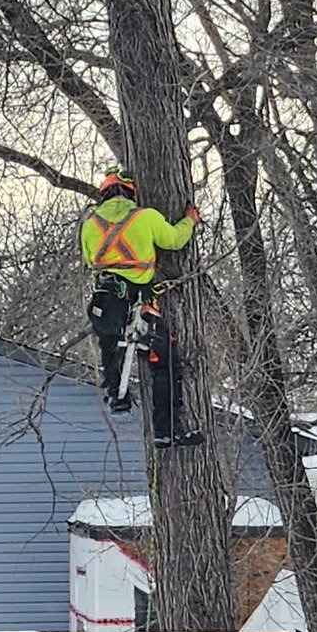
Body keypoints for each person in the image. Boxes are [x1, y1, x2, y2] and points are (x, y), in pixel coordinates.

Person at [80, 165, 203, 445]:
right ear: (130, 192)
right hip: (139, 300)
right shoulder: (145, 217)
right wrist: (189, 221)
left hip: (106, 300)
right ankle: (166, 430)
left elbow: (90, 260)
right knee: (166, 361)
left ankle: (115, 391)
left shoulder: (90, 224)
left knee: (109, 345)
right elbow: (173, 240)